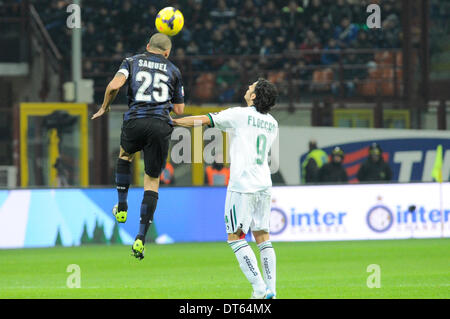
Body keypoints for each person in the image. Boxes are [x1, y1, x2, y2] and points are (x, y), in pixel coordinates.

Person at [173, 78, 278, 299]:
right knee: (262, 236)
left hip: (242, 185)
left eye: (251, 86)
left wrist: (174, 122)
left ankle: (259, 289)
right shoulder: (272, 123)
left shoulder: (240, 115)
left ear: (254, 96)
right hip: (264, 184)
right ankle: (272, 291)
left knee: (236, 237)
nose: (248, 87)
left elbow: (204, 120)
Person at [91, 33, 185, 259]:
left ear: (147, 46)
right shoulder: (174, 70)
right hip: (161, 125)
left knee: (125, 156)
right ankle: (141, 238)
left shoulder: (131, 62)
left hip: (135, 121)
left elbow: (113, 86)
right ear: (167, 53)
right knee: (152, 180)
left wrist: (105, 106)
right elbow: (180, 111)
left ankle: (122, 207)